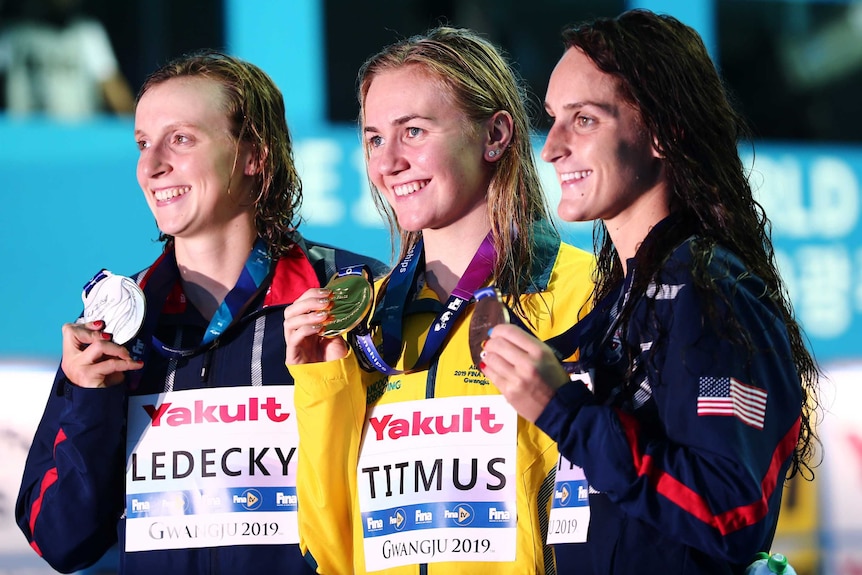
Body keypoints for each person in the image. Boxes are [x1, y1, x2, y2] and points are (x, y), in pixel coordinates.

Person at [15, 50, 387, 575]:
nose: (151, 166)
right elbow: (59, 540)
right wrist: (89, 403)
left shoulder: (350, 296)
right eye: (143, 143)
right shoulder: (118, 323)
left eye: (181, 139)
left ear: (254, 155)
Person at [478, 9, 821, 575]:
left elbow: (728, 511)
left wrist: (563, 411)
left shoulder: (708, 292)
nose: (552, 148)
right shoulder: (626, 299)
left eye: (584, 119)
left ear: (663, 131)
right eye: (554, 118)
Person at [283, 26, 595, 575]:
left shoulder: (584, 293)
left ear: (495, 134)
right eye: (375, 138)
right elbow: (331, 550)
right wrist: (322, 386)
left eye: (414, 131)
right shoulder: (360, 320)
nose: (389, 162)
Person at [0, 0, 135, 119]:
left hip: (77, 139)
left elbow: (115, 92)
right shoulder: (13, 34)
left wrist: (139, 131)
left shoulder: (87, 33)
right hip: (24, 140)